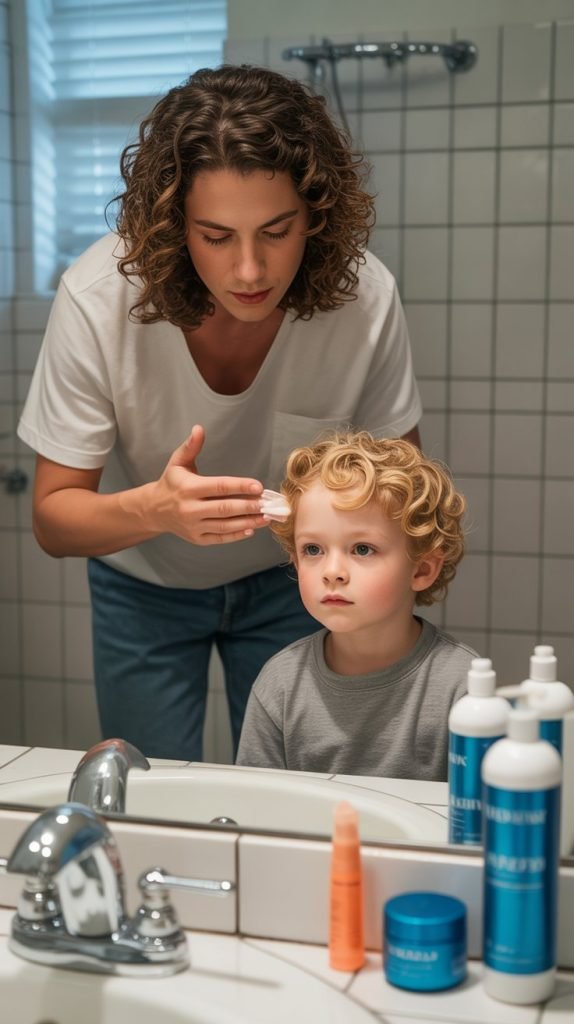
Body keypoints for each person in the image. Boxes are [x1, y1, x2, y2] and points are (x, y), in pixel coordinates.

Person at [17, 65, 422, 762]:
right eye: (215, 236)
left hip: (292, 579)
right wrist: (156, 510)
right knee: (146, 800)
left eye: (276, 230)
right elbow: (54, 518)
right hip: (141, 582)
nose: (249, 271)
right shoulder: (95, 297)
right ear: (173, 228)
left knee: (298, 802)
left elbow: (403, 491)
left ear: (316, 215)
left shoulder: (366, 298)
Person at [237, 433, 476, 780]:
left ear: (422, 569)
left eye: (362, 549)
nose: (332, 572)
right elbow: (255, 808)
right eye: (313, 550)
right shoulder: (281, 685)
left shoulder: (462, 686)